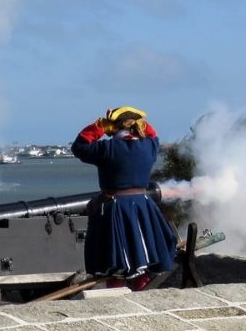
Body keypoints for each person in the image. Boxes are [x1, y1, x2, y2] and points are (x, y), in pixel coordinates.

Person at [72, 106, 178, 291]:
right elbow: (153, 135)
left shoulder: (107, 148)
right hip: (143, 206)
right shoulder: (149, 146)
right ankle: (141, 292)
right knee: (144, 262)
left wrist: (99, 127)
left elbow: (79, 147)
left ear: (113, 126)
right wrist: (142, 124)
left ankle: (117, 294)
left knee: (116, 266)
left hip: (115, 208)